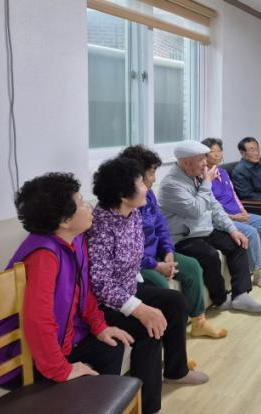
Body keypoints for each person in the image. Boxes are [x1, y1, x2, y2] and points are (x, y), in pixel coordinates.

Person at [88, 158, 209, 414]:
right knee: (149, 329)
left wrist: (161, 261)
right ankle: (147, 407)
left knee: (175, 302)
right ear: (123, 195)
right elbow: (100, 283)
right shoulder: (101, 225)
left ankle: (176, 371)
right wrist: (139, 308)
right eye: (141, 183)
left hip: (129, 288)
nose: (147, 186)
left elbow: (135, 256)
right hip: (105, 303)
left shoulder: (132, 213)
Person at [6, 173, 132, 383]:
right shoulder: (43, 256)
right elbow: (37, 319)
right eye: (81, 203)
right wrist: (60, 369)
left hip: (65, 336)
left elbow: (85, 291)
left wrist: (100, 326)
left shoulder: (76, 240)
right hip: (30, 353)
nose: (89, 207)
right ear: (64, 220)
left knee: (112, 348)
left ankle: (101, 399)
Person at [119, 145, 228, 338]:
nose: (154, 179)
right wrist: (156, 265)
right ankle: (167, 335)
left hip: (157, 253)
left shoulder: (148, 194)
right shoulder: (124, 205)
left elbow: (160, 225)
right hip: (139, 263)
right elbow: (128, 251)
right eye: (151, 173)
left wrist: (168, 251)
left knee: (192, 267)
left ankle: (199, 322)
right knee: (162, 286)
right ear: (135, 176)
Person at [159, 141, 261, 314]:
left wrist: (232, 230)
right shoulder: (171, 184)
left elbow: (215, 206)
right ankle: (221, 299)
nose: (205, 164)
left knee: (239, 243)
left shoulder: (197, 175)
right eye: (201, 160)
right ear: (186, 162)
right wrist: (207, 183)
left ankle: (240, 295)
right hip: (183, 237)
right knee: (210, 255)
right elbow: (195, 210)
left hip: (204, 230)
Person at [201, 137, 261, 290]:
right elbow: (210, 207)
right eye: (213, 152)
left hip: (238, 213)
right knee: (251, 232)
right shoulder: (203, 177)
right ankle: (257, 276)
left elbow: (234, 194)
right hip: (225, 218)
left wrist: (242, 210)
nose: (217, 154)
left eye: (219, 151)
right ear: (204, 155)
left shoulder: (223, 172)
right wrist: (234, 217)